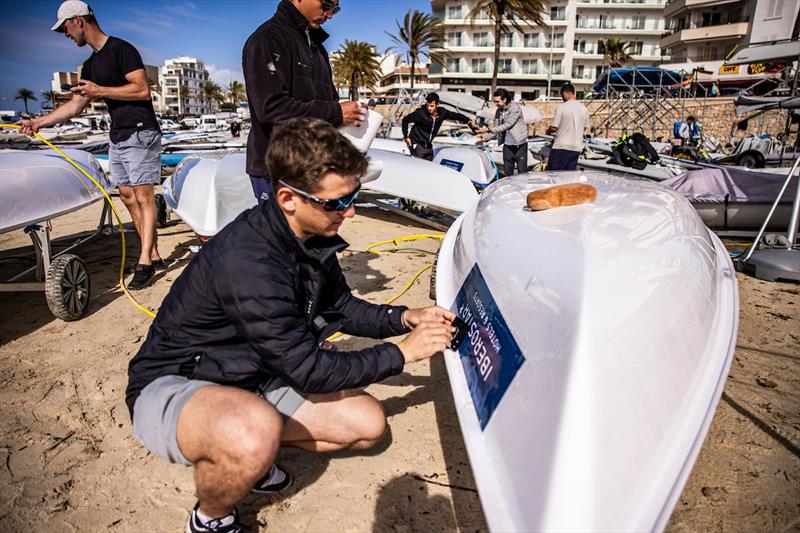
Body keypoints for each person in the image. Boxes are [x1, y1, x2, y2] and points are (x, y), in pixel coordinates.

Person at [126, 117, 456, 533]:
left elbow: (340, 307)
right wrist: (404, 352)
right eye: (337, 202)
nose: (350, 211)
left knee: (368, 425)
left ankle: (249, 448)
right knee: (253, 433)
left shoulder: (308, 231)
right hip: (177, 382)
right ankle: (211, 517)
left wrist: (404, 317)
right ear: (287, 197)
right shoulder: (249, 262)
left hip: (255, 373)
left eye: (355, 195)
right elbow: (308, 370)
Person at [19, 0, 163, 290]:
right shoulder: (90, 65)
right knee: (126, 196)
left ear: (78, 20)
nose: (65, 35)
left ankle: (145, 261)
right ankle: (155, 253)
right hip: (118, 135)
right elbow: (74, 108)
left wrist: (101, 90)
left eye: (65, 28)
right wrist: (39, 122)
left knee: (143, 195)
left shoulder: (122, 49)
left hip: (140, 131)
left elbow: (142, 90)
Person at [243, 0, 364, 202]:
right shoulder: (268, 39)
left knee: (317, 233)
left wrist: (349, 115)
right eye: (326, 5)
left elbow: (330, 102)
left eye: (336, 8)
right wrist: (336, 112)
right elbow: (270, 109)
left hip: (314, 166)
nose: (330, 14)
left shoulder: (317, 47)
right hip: (277, 169)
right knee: (283, 234)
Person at [401, 92, 476, 160]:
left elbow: (455, 115)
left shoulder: (442, 113)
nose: (429, 108)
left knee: (429, 165)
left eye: (432, 106)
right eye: (428, 105)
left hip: (428, 145)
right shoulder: (421, 113)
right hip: (416, 142)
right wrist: (406, 136)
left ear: (437, 104)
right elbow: (405, 120)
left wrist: (468, 120)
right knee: (419, 164)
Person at [476, 88, 528, 176]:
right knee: (508, 173)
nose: (496, 104)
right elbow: (496, 128)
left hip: (520, 145)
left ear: (504, 99)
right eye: (494, 101)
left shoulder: (515, 108)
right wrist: (484, 139)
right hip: (508, 145)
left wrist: (488, 129)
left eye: (497, 101)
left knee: (522, 173)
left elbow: (508, 124)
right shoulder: (498, 111)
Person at [545, 83, 590, 171]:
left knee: (553, 176)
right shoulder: (584, 109)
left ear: (565, 94)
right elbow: (584, 128)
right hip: (576, 148)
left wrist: (548, 131)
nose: (562, 98)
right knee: (568, 178)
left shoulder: (561, 108)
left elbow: (554, 127)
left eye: (562, 96)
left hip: (561, 147)